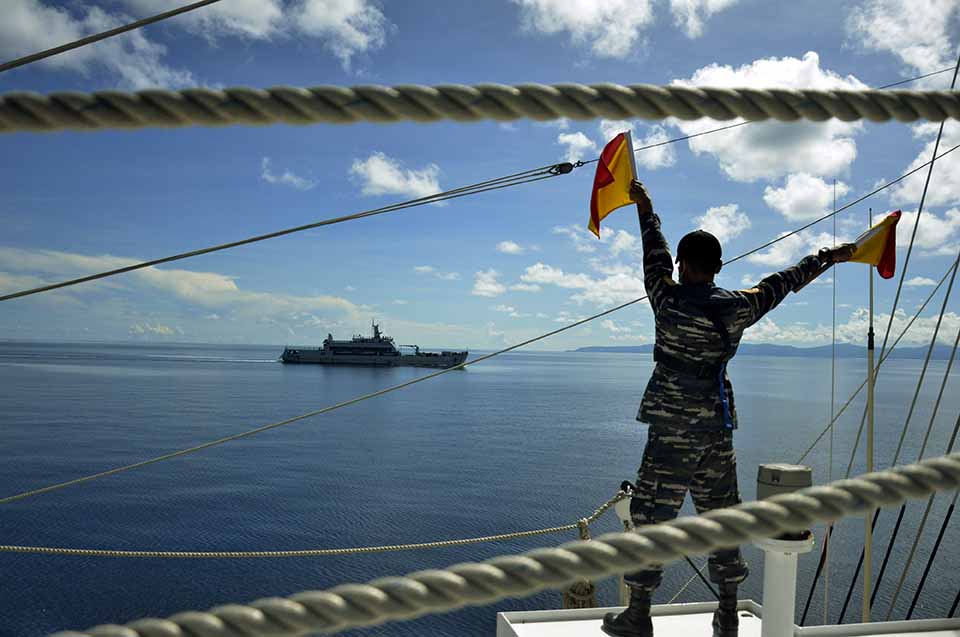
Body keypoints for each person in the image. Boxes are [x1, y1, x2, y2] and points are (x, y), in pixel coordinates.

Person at [602, 181, 855, 637]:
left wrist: (647, 206)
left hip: (670, 429)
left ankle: (639, 615)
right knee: (723, 517)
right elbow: (785, 281)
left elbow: (652, 251)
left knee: (651, 519)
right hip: (715, 429)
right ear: (719, 267)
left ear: (682, 266)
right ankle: (727, 614)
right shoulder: (739, 307)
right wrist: (827, 257)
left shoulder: (666, 298)